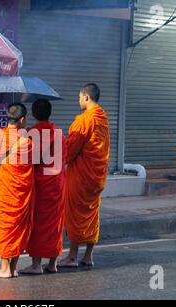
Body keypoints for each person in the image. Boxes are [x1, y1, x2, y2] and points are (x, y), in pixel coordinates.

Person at [58, 83, 110, 268]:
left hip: (81, 175)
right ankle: (88, 256)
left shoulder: (84, 120)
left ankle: (72, 256)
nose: (79, 101)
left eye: (79, 97)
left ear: (86, 97)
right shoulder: (103, 118)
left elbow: (72, 149)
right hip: (97, 175)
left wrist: (59, 156)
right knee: (92, 214)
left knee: (77, 214)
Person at [0, 103, 34, 278]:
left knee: (4, 225)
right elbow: (28, 168)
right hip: (19, 190)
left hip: (4, 187)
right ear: (22, 120)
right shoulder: (27, 142)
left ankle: (4, 268)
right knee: (18, 226)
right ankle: (13, 267)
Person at [19, 99, 66, 275]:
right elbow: (65, 157)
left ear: (32, 114)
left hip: (41, 184)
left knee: (38, 224)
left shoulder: (32, 134)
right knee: (55, 224)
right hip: (58, 183)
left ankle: (36, 264)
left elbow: (30, 160)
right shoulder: (59, 133)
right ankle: (53, 263)